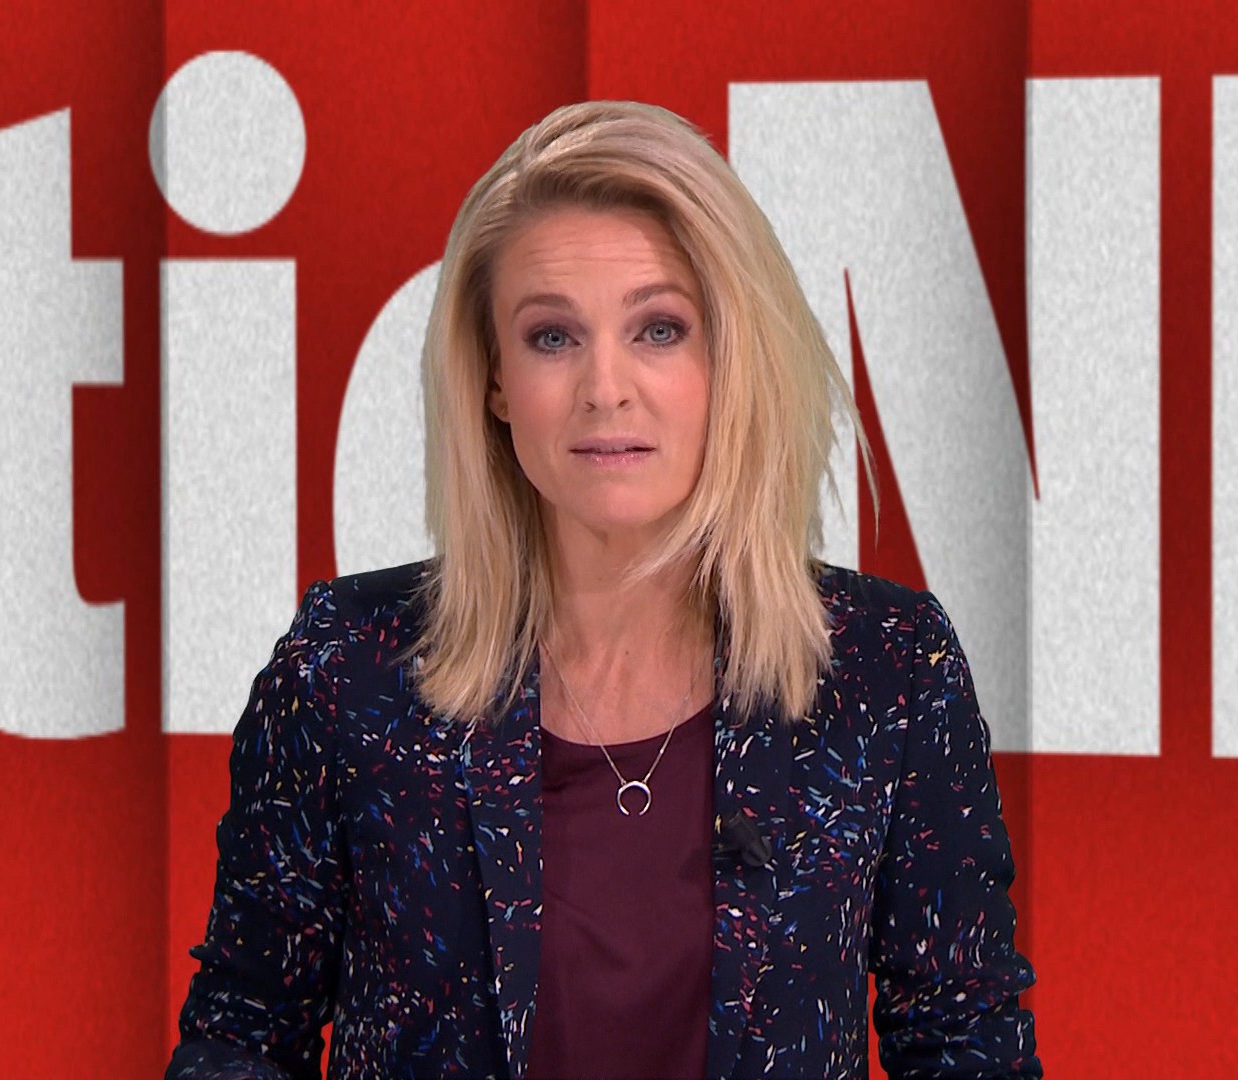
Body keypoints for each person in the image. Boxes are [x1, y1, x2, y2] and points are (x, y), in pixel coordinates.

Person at [166, 99, 1039, 1080]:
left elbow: (968, 1046)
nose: (605, 387)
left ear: (730, 358)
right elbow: (243, 1035)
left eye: (659, 329)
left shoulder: (888, 668)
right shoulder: (347, 669)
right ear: (493, 379)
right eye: (553, 337)